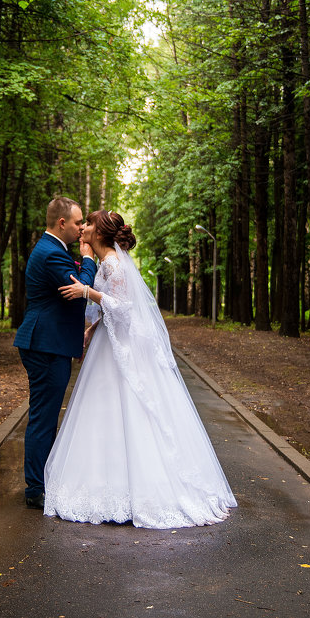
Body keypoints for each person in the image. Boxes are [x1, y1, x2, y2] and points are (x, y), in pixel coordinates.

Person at [43, 209, 237, 529]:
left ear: (101, 233)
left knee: (130, 410)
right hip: (108, 341)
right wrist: (90, 330)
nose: (83, 229)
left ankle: (139, 491)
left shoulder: (115, 265)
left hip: (123, 348)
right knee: (101, 411)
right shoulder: (107, 263)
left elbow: (126, 310)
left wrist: (88, 292)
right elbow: (109, 310)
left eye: (88, 224)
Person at [14, 197, 97, 509]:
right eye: (77, 223)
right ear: (62, 223)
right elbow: (80, 292)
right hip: (44, 344)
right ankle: (36, 489)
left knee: (45, 416)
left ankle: (42, 480)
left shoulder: (54, 250)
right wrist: (88, 258)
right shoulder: (51, 254)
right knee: (43, 418)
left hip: (50, 342)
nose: (80, 229)